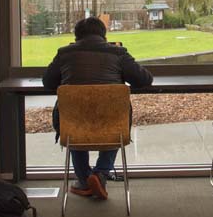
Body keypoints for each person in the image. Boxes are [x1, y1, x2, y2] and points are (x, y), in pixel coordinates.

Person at [43, 17, 153, 200]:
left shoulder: (64, 53)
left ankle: (85, 179)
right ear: (104, 35)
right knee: (116, 123)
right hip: (111, 123)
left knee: (74, 124)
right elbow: (145, 80)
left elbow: (48, 82)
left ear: (77, 36)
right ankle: (100, 173)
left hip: (73, 123)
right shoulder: (118, 53)